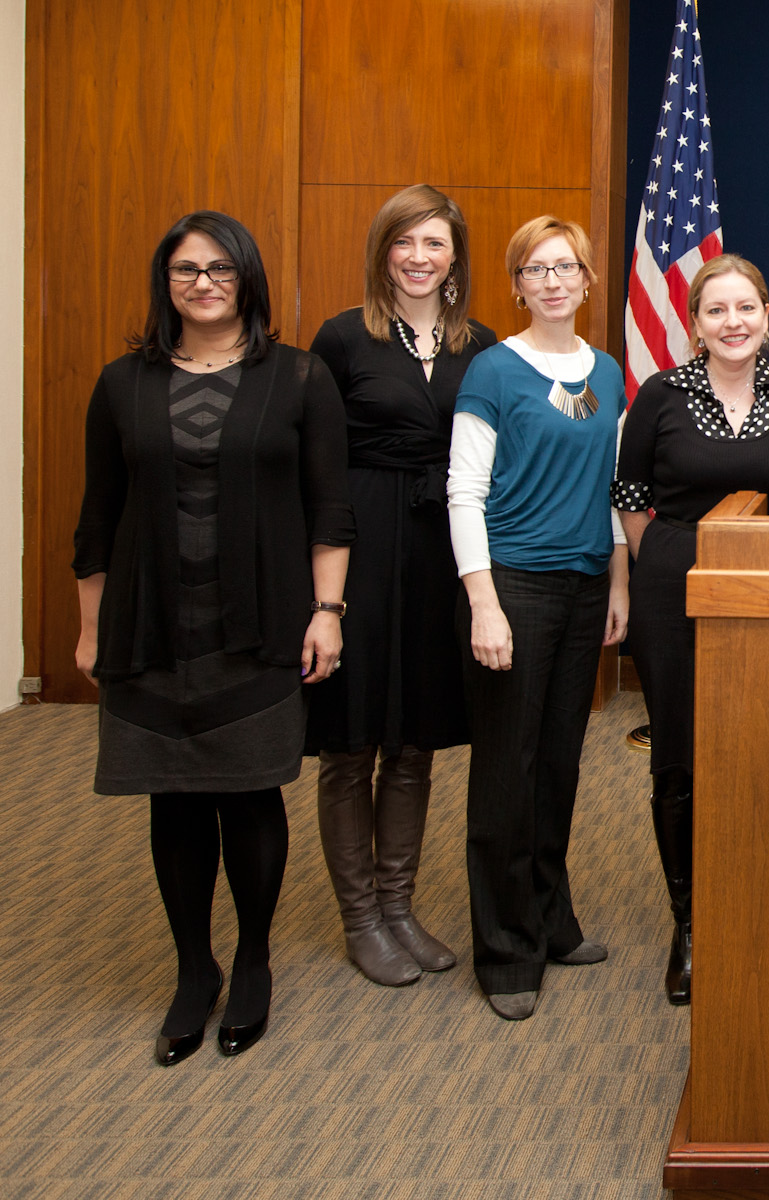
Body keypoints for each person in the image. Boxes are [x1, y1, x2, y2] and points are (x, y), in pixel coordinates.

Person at [73, 211, 354, 1065]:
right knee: (174, 797)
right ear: (167, 282)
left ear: (247, 280)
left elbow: (330, 509)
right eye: (186, 270)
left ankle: (256, 959)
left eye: (220, 269)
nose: (202, 283)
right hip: (154, 625)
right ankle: (195, 970)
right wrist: (91, 631)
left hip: (263, 620)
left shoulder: (299, 378)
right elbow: (97, 519)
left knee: (246, 794)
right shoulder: (122, 384)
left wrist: (328, 611)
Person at [306, 185, 497, 987]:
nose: (420, 258)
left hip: (437, 554)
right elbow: (317, 466)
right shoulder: (343, 339)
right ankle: (361, 920)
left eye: (436, 244)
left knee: (415, 741)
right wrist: (323, 598)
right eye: (405, 243)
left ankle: (399, 905)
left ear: (455, 258)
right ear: (383, 251)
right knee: (352, 745)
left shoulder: (479, 345)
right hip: (358, 549)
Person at [612, 253, 769, 1006]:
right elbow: (630, 497)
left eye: (745, 308)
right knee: (682, 757)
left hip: (767, 593)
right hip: (674, 588)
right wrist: (656, 571)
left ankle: (758, 904)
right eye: (716, 310)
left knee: (766, 747)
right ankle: (689, 922)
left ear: (766, 317)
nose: (733, 323)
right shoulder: (661, 394)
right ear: (694, 324)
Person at [447, 215, 628, 1021]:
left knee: (558, 766)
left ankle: (552, 920)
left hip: (587, 586)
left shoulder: (610, 373)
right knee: (505, 774)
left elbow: (613, 494)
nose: (553, 281)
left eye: (567, 267)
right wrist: (483, 603)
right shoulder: (493, 370)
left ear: (589, 281)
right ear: (516, 284)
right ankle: (506, 948)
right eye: (535, 268)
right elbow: (464, 493)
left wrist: (618, 584)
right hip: (512, 589)